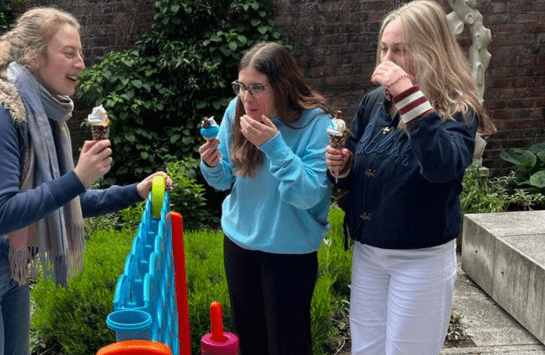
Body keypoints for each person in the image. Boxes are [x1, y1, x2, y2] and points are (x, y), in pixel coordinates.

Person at [0, 7, 172, 355]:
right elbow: (2, 213)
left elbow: (57, 201)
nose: (81, 62)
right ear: (35, 57)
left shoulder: (42, 117)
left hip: (6, 264)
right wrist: (78, 178)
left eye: (80, 53)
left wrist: (134, 192)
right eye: (69, 53)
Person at [325, 1, 497, 354]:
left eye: (400, 50)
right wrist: (341, 167)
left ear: (430, 50)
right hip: (369, 251)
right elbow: (356, 168)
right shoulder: (374, 102)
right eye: (385, 49)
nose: (387, 59)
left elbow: (442, 168)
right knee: (366, 349)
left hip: (420, 258)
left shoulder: (456, 107)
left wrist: (408, 94)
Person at [198, 41, 336, 355]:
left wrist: (274, 146)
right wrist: (210, 163)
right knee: (251, 343)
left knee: (288, 346)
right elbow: (223, 180)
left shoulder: (316, 124)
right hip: (239, 244)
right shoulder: (237, 110)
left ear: (282, 85)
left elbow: (307, 195)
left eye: (257, 88)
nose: (247, 97)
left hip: (289, 253)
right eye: (241, 87)